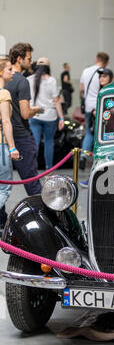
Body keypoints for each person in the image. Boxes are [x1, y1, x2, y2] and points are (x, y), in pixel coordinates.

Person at [5, 42, 44, 195]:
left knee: (4, 184)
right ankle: (44, 215)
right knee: (32, 182)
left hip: (5, 138)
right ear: (19, 59)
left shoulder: (4, 82)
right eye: (29, 58)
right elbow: (25, 113)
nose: (31, 61)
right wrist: (38, 109)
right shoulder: (22, 81)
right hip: (21, 137)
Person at [27, 57, 65, 170]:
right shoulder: (51, 80)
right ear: (48, 67)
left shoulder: (29, 79)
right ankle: (49, 170)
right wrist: (61, 117)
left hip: (35, 114)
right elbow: (56, 101)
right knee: (49, 142)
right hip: (50, 116)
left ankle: (32, 169)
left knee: (35, 143)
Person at [79, 68, 113, 189]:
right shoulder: (102, 91)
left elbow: (112, 109)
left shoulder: (109, 92)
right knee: (99, 153)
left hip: (109, 129)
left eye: (105, 76)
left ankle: (97, 179)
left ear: (110, 78)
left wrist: (100, 112)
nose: (101, 78)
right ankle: (95, 178)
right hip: (101, 127)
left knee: (104, 154)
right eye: (100, 77)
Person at [79, 51, 110, 170]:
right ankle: (98, 159)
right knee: (100, 133)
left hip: (88, 106)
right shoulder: (104, 73)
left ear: (96, 59)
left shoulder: (86, 71)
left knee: (89, 131)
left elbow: (81, 88)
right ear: (107, 62)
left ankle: (83, 155)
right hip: (100, 105)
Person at [0, 57, 20, 231]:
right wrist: (12, 147)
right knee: (4, 189)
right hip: (1, 146)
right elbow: (6, 122)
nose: (12, 72)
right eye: (9, 69)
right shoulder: (4, 93)